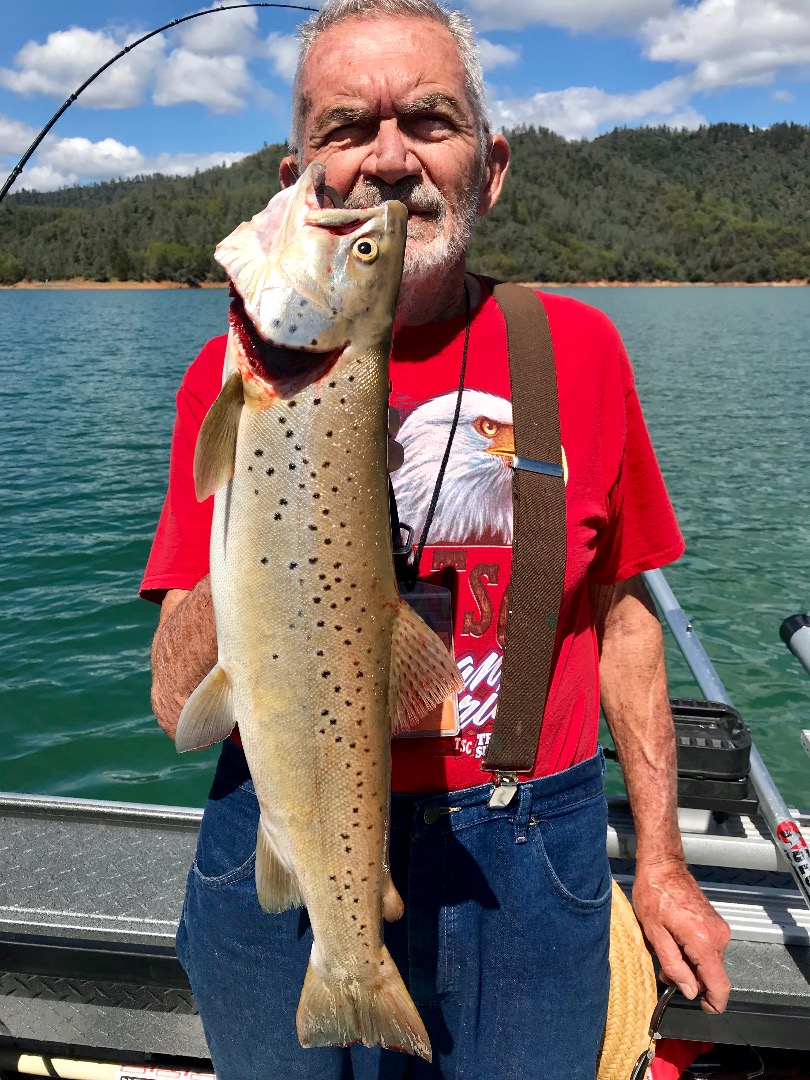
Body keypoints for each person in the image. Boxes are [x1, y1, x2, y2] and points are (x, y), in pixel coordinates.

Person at [142, 1, 731, 1077]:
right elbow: (175, 700)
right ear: (297, 177)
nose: (388, 159)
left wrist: (663, 864)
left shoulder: (582, 354)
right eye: (345, 129)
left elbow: (625, 622)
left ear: (491, 166)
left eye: (430, 118)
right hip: (279, 823)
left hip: (524, 850)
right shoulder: (223, 382)